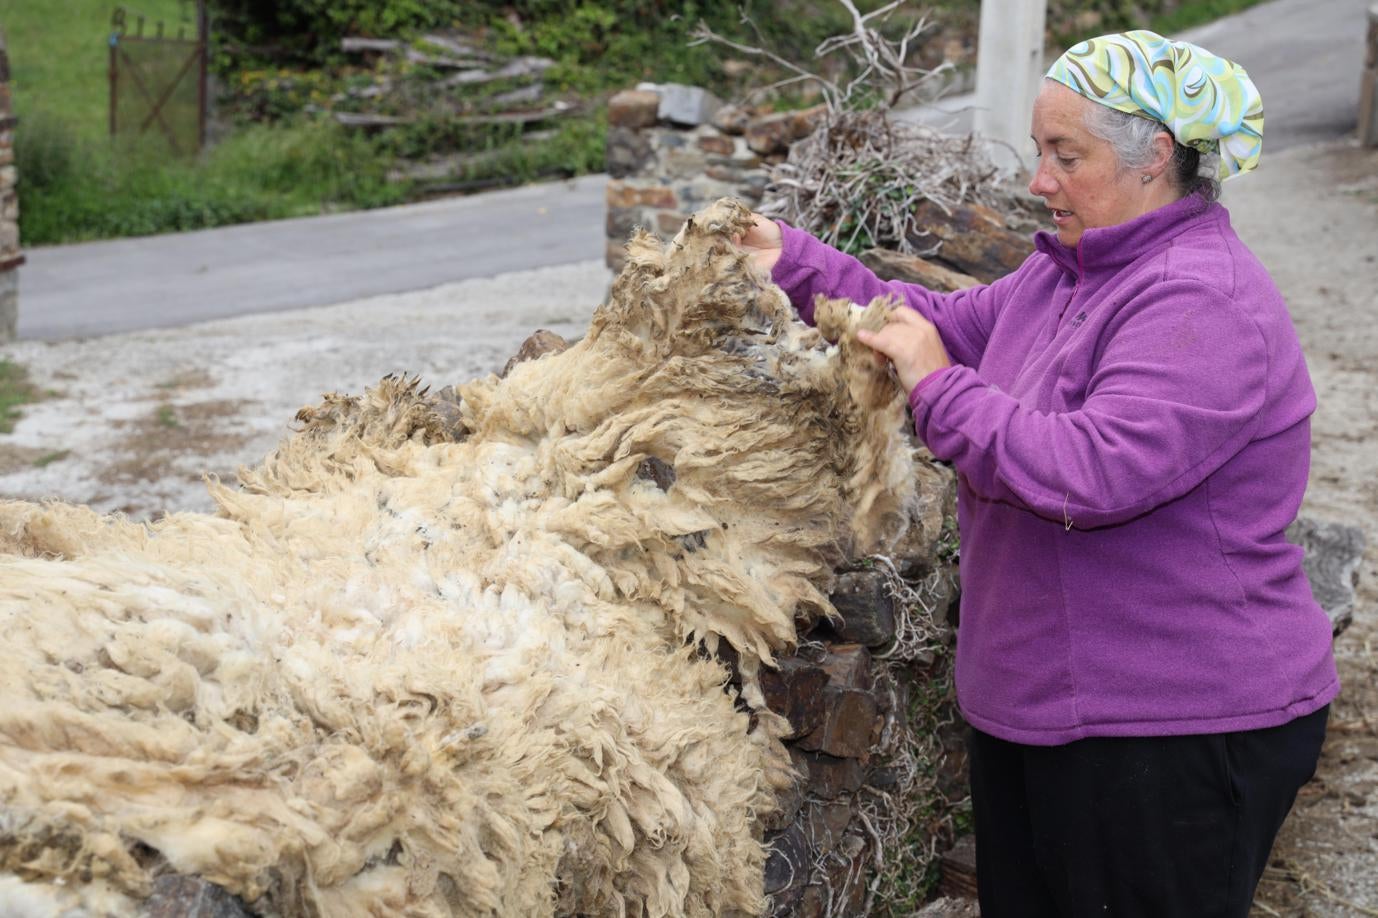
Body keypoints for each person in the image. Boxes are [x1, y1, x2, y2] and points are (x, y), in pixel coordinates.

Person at [737, 30, 1339, 917]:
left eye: (1067, 155)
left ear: (1155, 158)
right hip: (1056, 712)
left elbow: (1087, 473)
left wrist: (936, 387)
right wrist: (789, 262)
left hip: (1172, 727)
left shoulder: (1197, 300)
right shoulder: (1068, 274)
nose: (1039, 180)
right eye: (1039, 151)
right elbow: (935, 319)